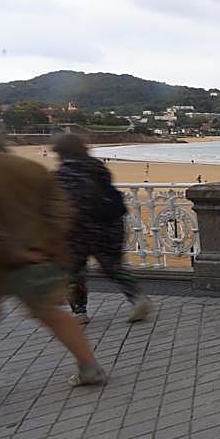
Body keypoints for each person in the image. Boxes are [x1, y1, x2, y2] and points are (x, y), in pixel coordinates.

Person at [0, 115, 106, 396]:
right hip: (37, 255)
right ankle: (89, 366)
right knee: (52, 313)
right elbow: (62, 212)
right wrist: (45, 246)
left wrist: (14, 252)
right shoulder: (31, 167)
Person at [53, 133, 150, 324]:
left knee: (75, 271)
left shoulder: (65, 173)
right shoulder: (97, 167)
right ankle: (138, 298)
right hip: (110, 224)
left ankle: (80, 311)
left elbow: (67, 204)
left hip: (78, 230)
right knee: (113, 267)